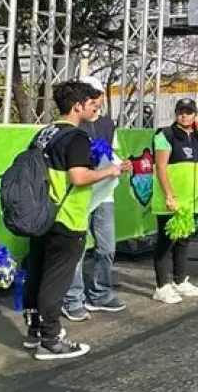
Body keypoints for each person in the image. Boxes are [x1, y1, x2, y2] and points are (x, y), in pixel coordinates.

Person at [23, 81, 125, 360]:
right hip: (67, 217)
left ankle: (34, 332)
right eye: (93, 104)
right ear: (77, 106)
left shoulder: (45, 133)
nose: (96, 109)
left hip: (41, 215)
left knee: (37, 275)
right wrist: (109, 171)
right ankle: (51, 339)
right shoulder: (76, 137)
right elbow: (79, 177)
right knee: (55, 281)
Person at [61, 76, 126, 321]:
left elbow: (112, 153)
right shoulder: (71, 125)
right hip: (80, 194)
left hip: (105, 193)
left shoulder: (108, 124)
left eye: (98, 94)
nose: (96, 100)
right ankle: (73, 298)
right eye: (91, 95)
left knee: (107, 247)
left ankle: (100, 293)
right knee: (77, 248)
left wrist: (120, 165)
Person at [151, 98, 198, 304]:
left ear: (195, 115)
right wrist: (169, 195)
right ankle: (161, 286)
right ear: (176, 114)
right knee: (166, 242)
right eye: (181, 112)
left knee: (184, 240)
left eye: (189, 112)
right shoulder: (164, 135)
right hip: (172, 200)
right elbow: (161, 167)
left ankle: (179, 280)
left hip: (191, 201)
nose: (184, 115)